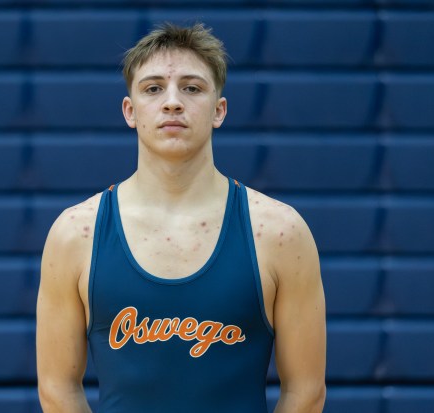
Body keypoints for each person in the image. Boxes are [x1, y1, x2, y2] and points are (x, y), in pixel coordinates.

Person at [36, 23, 326, 413]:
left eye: (192, 88)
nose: (172, 102)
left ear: (218, 110)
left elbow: (305, 393)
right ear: (130, 111)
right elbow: (57, 389)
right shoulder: (76, 234)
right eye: (153, 88)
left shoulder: (279, 232)